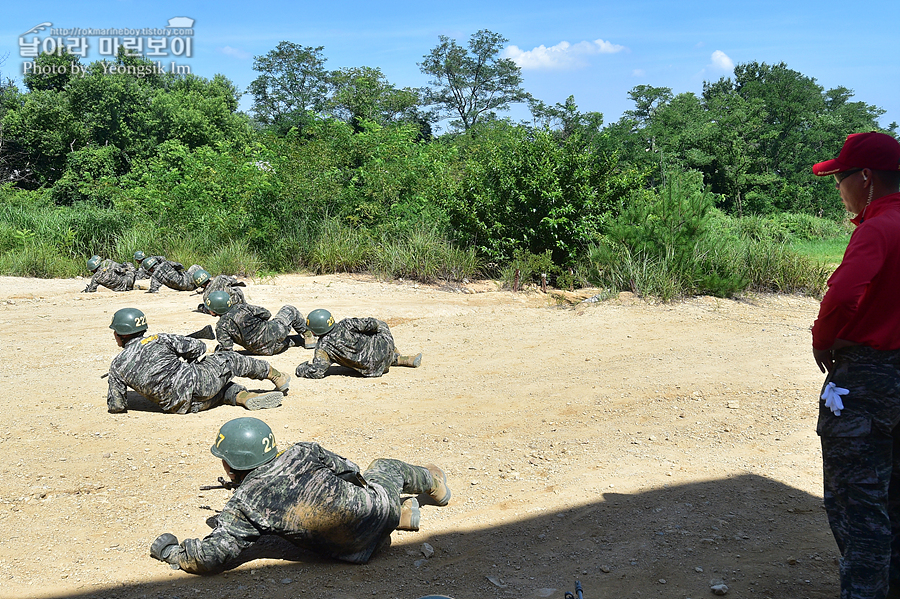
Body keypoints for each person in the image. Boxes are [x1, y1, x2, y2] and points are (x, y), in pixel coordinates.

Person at [149, 417, 451, 572]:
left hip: (351, 553)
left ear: (230, 467)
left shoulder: (244, 505)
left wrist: (172, 552)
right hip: (376, 512)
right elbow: (349, 470)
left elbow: (210, 556)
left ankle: (400, 515)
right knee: (384, 467)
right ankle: (432, 486)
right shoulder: (302, 451)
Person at [810, 131, 900, 599]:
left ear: (865, 177)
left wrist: (822, 340)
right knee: (894, 497)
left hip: (868, 377)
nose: (839, 187)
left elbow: (845, 294)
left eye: (841, 178)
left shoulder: (878, 227)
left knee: (858, 506)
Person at [106, 307, 291, 414]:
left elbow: (117, 406)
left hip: (180, 407)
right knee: (229, 359)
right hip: (198, 384)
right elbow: (199, 348)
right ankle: (277, 376)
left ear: (119, 334)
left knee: (220, 389)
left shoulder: (116, 365)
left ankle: (243, 397)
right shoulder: (159, 339)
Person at [295, 309, 422, 379]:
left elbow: (317, 371)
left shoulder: (322, 348)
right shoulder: (346, 324)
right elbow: (373, 324)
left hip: (372, 370)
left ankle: (397, 358)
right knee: (381, 325)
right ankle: (397, 356)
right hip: (383, 349)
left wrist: (301, 369)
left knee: (366, 356)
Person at [205, 291, 316, 355]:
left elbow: (227, 350)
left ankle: (295, 340)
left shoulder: (221, 327)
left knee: (285, 340)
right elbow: (266, 314)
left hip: (262, 350)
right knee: (289, 309)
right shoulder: (242, 308)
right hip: (273, 335)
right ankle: (308, 336)